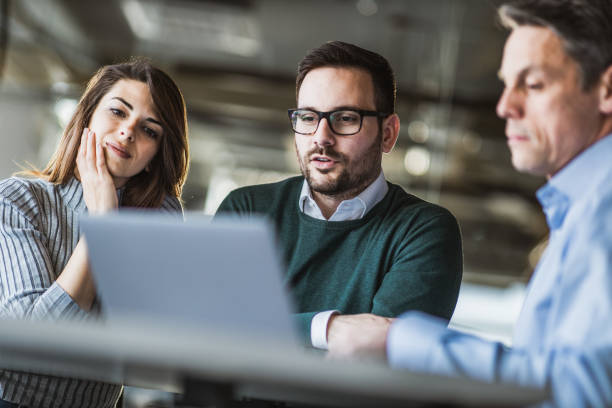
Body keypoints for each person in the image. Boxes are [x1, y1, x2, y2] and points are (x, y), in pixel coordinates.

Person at [327, 1, 612, 406]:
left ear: (607, 91)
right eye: (506, 83)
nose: (505, 106)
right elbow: (555, 377)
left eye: (532, 84)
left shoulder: (605, 210)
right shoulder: (579, 211)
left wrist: (401, 341)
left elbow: (583, 393)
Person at [216, 41, 463, 351]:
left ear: (387, 134)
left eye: (345, 118)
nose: (321, 137)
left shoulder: (422, 231)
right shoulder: (247, 210)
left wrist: (264, 330)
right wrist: (330, 329)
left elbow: (382, 357)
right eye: (307, 117)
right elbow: (212, 327)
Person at [0, 59, 189, 408]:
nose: (128, 131)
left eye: (150, 130)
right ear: (87, 116)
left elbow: (145, 347)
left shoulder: (160, 220)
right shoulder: (18, 200)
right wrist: (103, 223)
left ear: (153, 156)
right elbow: (34, 342)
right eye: (118, 112)